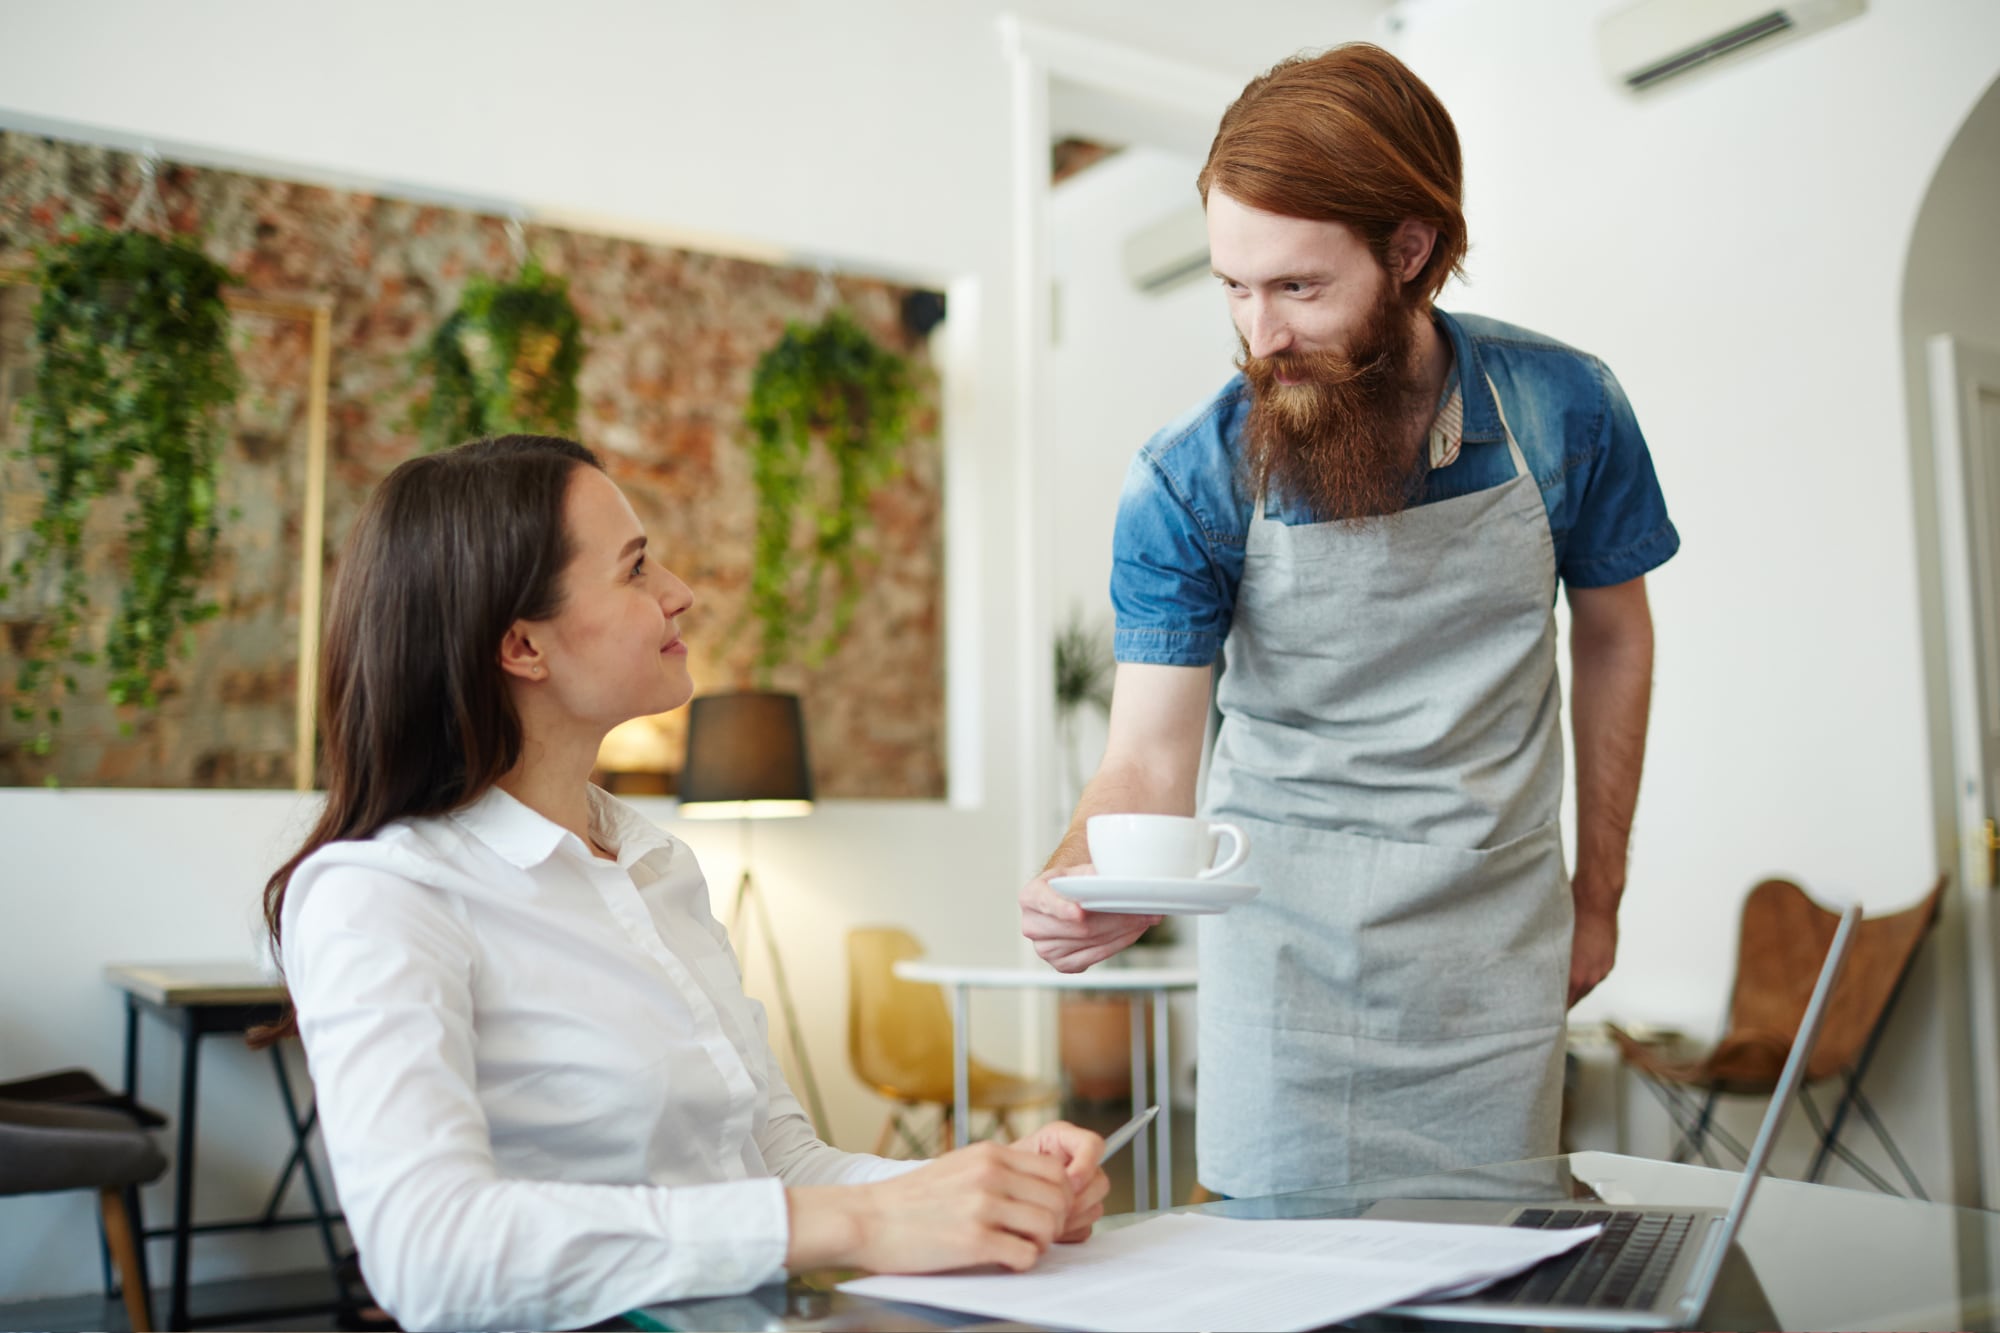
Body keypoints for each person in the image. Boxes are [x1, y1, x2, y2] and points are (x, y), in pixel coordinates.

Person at [261, 435, 1109, 1332]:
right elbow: (427, 1250)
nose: (679, 591)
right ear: (522, 645)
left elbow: (774, 1161)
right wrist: (862, 1220)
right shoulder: (382, 895)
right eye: (634, 569)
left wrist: (986, 1189)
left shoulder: (655, 865)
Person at [1019, 44, 1676, 1200]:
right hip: (1283, 963)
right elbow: (1148, 752)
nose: (1257, 332)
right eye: (1232, 285)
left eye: (1297, 287)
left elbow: (1615, 636)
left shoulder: (1565, 410)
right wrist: (1088, 868)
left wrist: (1598, 898)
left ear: (1409, 249)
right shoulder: (1188, 476)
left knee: (1489, 1282)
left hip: (1493, 945)